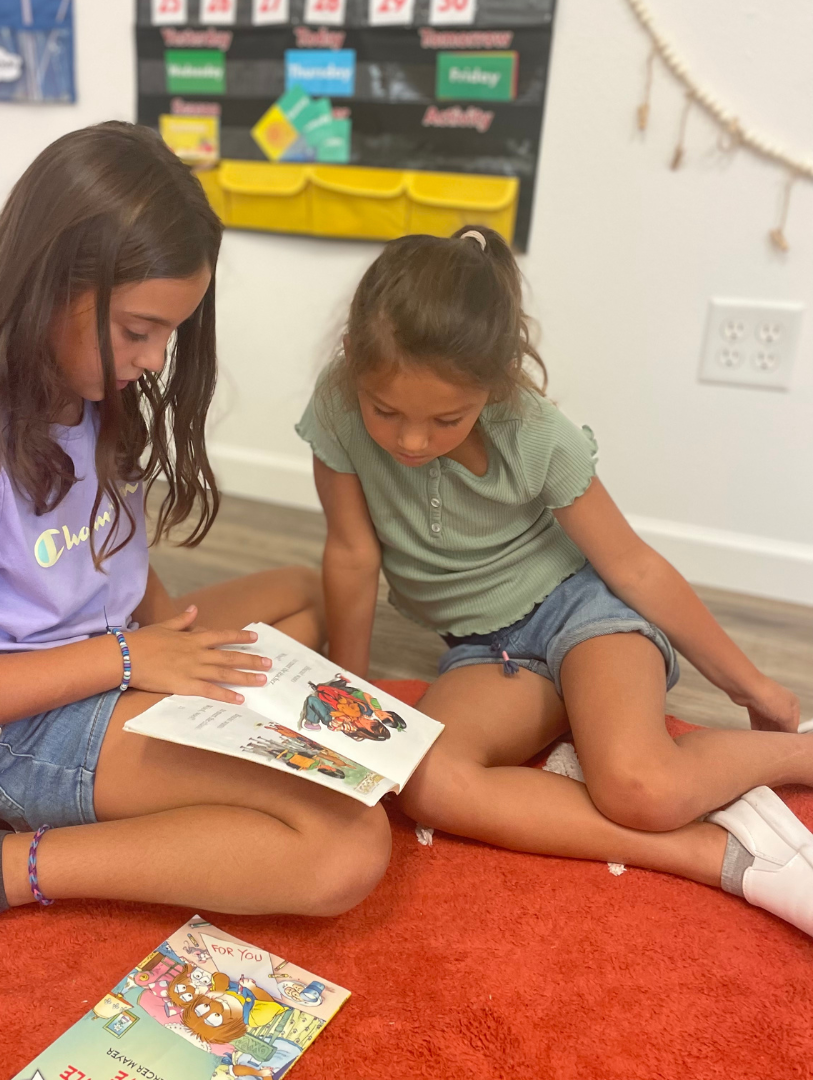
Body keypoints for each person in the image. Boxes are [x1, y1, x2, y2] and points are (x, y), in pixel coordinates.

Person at [0, 123, 390, 1017]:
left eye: (169, 334)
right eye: (141, 330)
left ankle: (147, 773)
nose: (153, 360)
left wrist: (176, 650)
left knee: (300, 593)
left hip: (113, 654)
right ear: (48, 288)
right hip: (16, 725)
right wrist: (138, 669)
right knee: (348, 847)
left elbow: (114, 549)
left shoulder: (89, 389)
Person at [296, 224, 813, 939]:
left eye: (445, 419)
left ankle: (801, 755)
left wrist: (754, 687)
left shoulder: (538, 433)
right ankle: (711, 854)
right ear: (354, 361)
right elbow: (352, 555)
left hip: (585, 613)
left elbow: (632, 565)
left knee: (642, 789)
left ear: (494, 383)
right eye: (387, 412)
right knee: (425, 780)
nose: (411, 442)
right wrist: (344, 703)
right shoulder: (335, 405)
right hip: (487, 651)